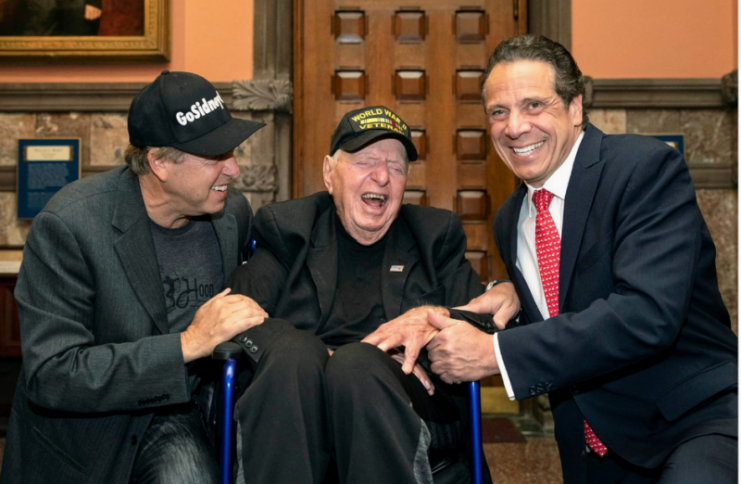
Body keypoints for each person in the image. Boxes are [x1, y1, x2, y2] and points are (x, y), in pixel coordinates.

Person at [424, 34, 738, 483]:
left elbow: (647, 314)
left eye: (534, 105)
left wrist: (498, 354)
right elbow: (570, 308)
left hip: (691, 426)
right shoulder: (510, 219)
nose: (514, 127)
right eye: (499, 112)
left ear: (575, 108)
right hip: (592, 452)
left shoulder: (642, 168)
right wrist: (508, 305)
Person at [1, 71, 268, 484]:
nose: (233, 170)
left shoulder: (231, 215)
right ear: (160, 162)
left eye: (231, 150)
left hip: (187, 416)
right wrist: (188, 344)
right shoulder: (70, 225)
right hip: (91, 435)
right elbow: (51, 375)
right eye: (215, 156)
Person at [226, 105, 510, 484]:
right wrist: (325, 358)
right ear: (329, 173)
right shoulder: (288, 230)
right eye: (366, 162)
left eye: (395, 167)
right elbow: (235, 314)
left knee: (359, 366)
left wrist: (429, 324)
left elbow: (480, 320)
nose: (381, 177)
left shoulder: (433, 235)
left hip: (408, 406)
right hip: (299, 404)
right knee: (297, 355)